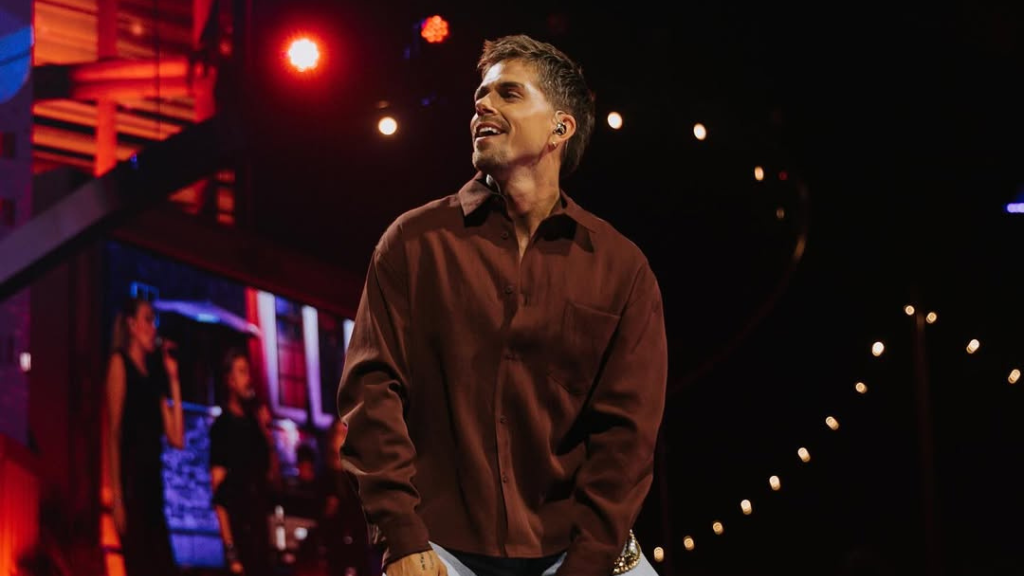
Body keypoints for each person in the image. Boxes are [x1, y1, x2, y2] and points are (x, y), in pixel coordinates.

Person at [336, 34, 667, 576]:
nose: (482, 106)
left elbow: (627, 437)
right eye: (480, 96)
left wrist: (588, 562)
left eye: (508, 93)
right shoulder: (413, 242)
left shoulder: (621, 268)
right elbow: (371, 395)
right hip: (438, 547)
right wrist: (401, 537)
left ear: (560, 128)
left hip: (577, 550)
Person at [105, 296, 184, 576]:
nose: (154, 328)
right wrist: (117, 498)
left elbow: (177, 438)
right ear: (132, 325)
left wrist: (173, 379)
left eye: (155, 321)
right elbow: (113, 434)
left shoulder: (153, 380)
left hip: (153, 490)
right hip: (132, 486)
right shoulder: (119, 363)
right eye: (148, 320)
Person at [209, 348, 279, 575]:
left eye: (248, 372)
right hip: (240, 535)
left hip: (261, 534)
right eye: (242, 372)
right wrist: (232, 553)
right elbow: (219, 494)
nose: (248, 379)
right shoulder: (222, 428)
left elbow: (272, 478)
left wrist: (267, 435)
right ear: (229, 380)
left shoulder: (254, 425)